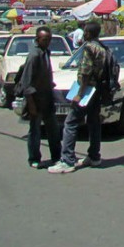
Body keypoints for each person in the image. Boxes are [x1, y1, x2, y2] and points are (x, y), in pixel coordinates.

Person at [49, 21, 105, 174]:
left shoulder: (89, 48)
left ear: (89, 33)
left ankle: (67, 161)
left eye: (85, 32)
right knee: (94, 123)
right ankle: (94, 156)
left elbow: (86, 72)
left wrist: (79, 94)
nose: (83, 34)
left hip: (86, 91)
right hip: (97, 90)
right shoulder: (102, 48)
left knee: (71, 122)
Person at [18, 26, 61, 169]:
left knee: (53, 129)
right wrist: (31, 105)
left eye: (49, 39)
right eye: (44, 39)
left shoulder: (46, 52)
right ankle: (34, 158)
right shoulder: (34, 55)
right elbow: (27, 83)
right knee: (35, 131)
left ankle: (57, 156)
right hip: (35, 100)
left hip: (47, 98)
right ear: (37, 39)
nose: (47, 42)